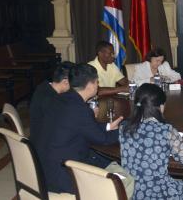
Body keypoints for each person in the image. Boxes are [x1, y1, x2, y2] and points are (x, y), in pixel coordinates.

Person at [42, 64, 124, 193]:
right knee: (125, 182)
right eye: (97, 82)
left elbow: (83, 127)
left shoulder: (61, 99)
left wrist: (108, 126)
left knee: (106, 161)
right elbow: (103, 140)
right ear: (90, 85)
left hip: (48, 167)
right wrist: (124, 130)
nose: (98, 85)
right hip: (65, 174)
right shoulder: (79, 109)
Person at [120, 83, 183, 199]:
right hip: (158, 193)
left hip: (130, 191)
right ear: (161, 106)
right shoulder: (166, 130)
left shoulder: (124, 128)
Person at [30, 61, 75, 173]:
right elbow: (65, 126)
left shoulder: (44, 87)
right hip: (46, 150)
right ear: (65, 81)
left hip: (39, 140)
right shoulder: (51, 100)